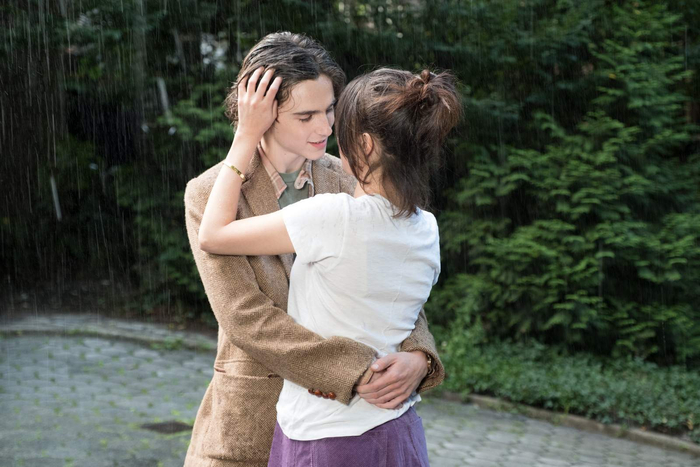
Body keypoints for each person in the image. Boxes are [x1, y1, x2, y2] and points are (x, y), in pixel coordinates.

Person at [183, 32, 445, 467]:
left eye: (329, 110)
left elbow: (393, 277)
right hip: (250, 422)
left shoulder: (352, 176)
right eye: (306, 115)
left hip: (355, 428)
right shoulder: (210, 195)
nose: (325, 128)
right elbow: (245, 317)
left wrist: (418, 355)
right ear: (260, 113)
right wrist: (351, 370)